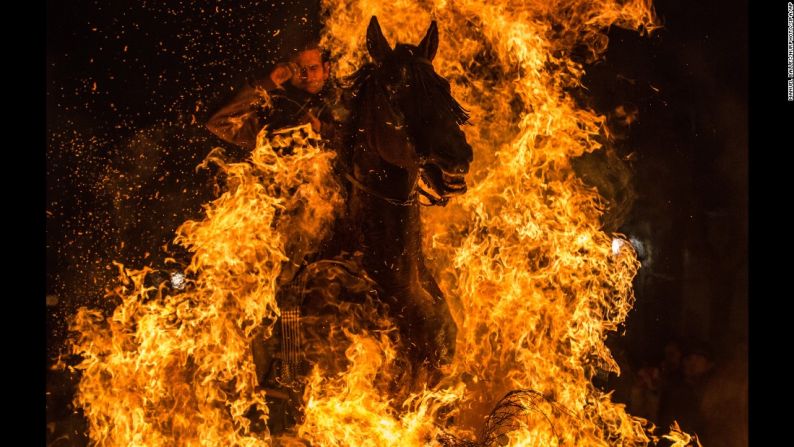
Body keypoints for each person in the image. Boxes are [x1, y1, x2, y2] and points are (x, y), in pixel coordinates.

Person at [206, 39, 346, 152]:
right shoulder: (273, 115)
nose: (307, 76)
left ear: (326, 69)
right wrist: (268, 83)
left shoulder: (344, 98)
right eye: (301, 70)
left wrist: (321, 129)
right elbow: (219, 123)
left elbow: (357, 145)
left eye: (313, 68)